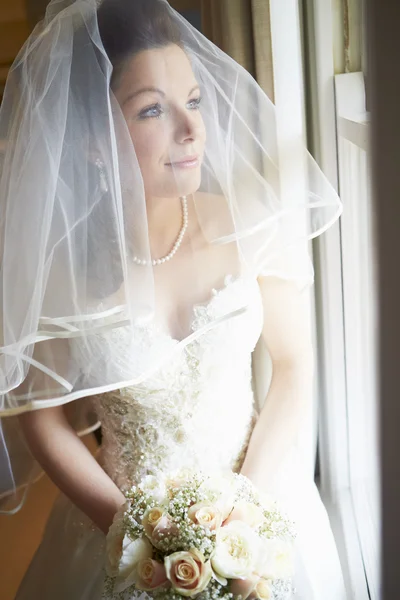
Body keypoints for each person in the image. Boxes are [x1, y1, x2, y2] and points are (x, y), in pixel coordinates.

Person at [0, 0, 346, 598]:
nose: (191, 130)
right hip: (117, 526)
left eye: (194, 100)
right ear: (92, 140)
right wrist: (132, 537)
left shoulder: (250, 223)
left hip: (257, 505)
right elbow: (43, 417)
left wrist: (241, 516)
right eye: (152, 109)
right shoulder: (59, 272)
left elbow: (292, 366)